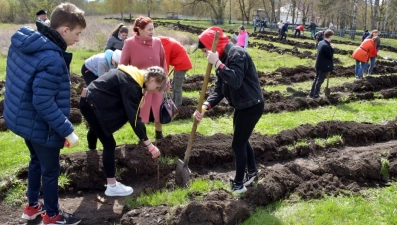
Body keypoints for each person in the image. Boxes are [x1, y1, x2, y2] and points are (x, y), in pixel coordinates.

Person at [3, 3, 86, 225]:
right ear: (64, 30)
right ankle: (52, 214)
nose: (78, 39)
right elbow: (43, 102)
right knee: (50, 170)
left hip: (23, 120)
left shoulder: (28, 43)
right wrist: (67, 131)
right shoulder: (52, 58)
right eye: (77, 33)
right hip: (41, 125)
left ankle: (31, 207)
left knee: (35, 161)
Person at [194, 27, 264, 194]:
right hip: (242, 105)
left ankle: (239, 185)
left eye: (205, 51)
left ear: (213, 46)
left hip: (252, 105)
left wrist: (217, 63)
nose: (205, 56)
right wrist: (205, 106)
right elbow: (220, 89)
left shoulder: (237, 54)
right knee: (242, 140)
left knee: (238, 144)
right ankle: (252, 172)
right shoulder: (224, 57)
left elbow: (236, 80)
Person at [79, 65, 164, 197]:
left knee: (97, 128)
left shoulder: (132, 75)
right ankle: (112, 186)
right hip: (92, 104)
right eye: (157, 87)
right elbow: (134, 118)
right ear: (152, 79)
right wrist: (149, 145)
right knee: (109, 144)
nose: (155, 91)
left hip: (89, 100)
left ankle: (91, 154)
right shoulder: (132, 85)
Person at [120, 16, 168, 140]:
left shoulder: (157, 42)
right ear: (140, 30)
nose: (152, 32)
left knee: (159, 108)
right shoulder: (129, 43)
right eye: (149, 29)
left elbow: (163, 62)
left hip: (157, 83)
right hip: (140, 84)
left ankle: (159, 133)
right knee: (141, 112)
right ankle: (143, 136)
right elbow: (123, 65)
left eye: (153, 29)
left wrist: (165, 80)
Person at [158, 36, 193, 107]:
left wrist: (164, 77)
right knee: (174, 84)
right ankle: (174, 102)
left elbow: (165, 62)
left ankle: (177, 105)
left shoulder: (165, 46)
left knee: (177, 86)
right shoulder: (167, 42)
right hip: (179, 63)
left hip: (182, 65)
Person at [308, 30, 334, 99]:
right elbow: (330, 56)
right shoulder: (326, 46)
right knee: (320, 80)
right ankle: (316, 94)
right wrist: (332, 48)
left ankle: (312, 92)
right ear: (330, 36)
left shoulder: (321, 42)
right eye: (332, 36)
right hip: (323, 65)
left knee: (316, 78)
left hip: (318, 64)